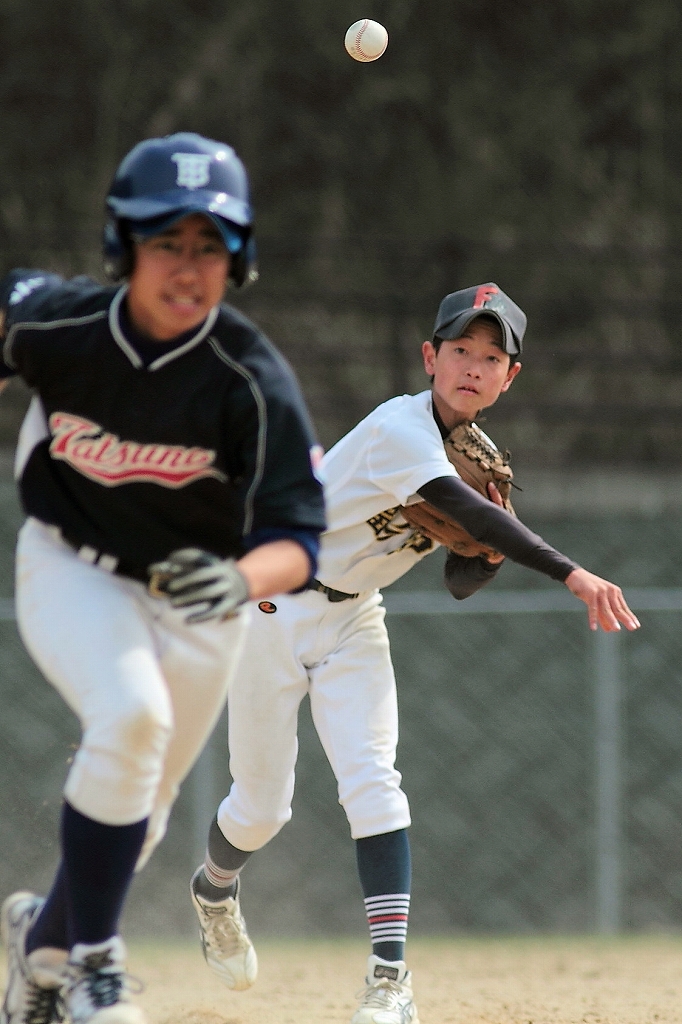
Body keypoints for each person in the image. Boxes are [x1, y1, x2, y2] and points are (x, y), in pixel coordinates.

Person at [187, 282, 640, 1024]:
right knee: (262, 808)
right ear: (431, 356)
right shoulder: (400, 429)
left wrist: (487, 548)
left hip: (353, 619)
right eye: (460, 349)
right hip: (272, 607)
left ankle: (389, 983)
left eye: (491, 356)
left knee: (375, 784)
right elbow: (454, 508)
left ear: (508, 377)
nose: (472, 365)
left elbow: (461, 577)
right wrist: (570, 571)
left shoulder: (476, 463)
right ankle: (212, 889)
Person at [0, 131, 326, 1024]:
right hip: (75, 564)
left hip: (200, 603)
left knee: (139, 810)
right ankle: (97, 967)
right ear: (123, 248)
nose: (188, 267)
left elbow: (300, 537)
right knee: (131, 718)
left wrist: (239, 576)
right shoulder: (59, 324)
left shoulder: (249, 377)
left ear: (239, 260)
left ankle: (40, 955)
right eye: (165, 243)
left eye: (210, 247)